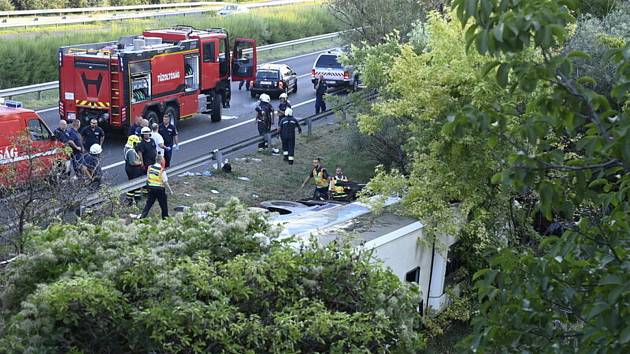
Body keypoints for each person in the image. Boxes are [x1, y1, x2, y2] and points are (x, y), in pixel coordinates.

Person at [140, 155, 173, 220]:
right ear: (161, 161)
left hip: (151, 188)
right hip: (159, 190)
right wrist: (170, 190)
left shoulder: (150, 167)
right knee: (163, 205)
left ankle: (142, 217)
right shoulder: (161, 170)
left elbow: (148, 178)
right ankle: (165, 218)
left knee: (148, 204)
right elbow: (165, 182)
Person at [124, 135, 144, 204]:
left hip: (129, 168)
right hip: (133, 169)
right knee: (134, 183)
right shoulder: (131, 151)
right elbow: (133, 162)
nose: (137, 144)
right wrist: (140, 163)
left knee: (136, 182)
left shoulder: (126, 148)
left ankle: (137, 196)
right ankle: (129, 198)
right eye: (136, 143)